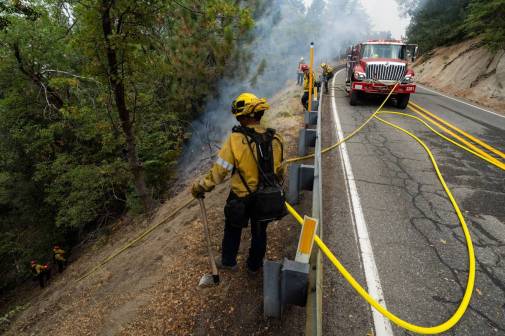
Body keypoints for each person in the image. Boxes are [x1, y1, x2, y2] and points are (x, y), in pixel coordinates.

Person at [191, 93, 285, 275]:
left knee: (233, 227)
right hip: (266, 197)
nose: (238, 119)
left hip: (241, 197)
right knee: (260, 232)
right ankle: (254, 266)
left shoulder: (235, 140)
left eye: (239, 116)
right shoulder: (276, 139)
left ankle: (228, 261)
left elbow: (219, 172)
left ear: (245, 116)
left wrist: (201, 187)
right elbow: (281, 171)